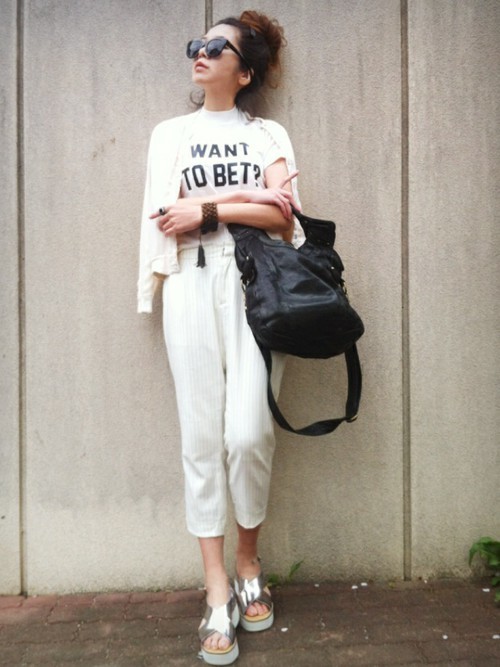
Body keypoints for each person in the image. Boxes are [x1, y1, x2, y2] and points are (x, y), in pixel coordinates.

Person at [138, 10, 300, 665]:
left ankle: (248, 559)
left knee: (249, 433)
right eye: (197, 45)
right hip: (190, 285)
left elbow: (284, 218)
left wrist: (207, 206)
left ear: (246, 72)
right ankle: (216, 589)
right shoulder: (170, 134)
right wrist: (247, 199)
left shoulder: (268, 133)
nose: (200, 53)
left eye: (216, 47)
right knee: (202, 438)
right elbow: (165, 218)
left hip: (257, 284)